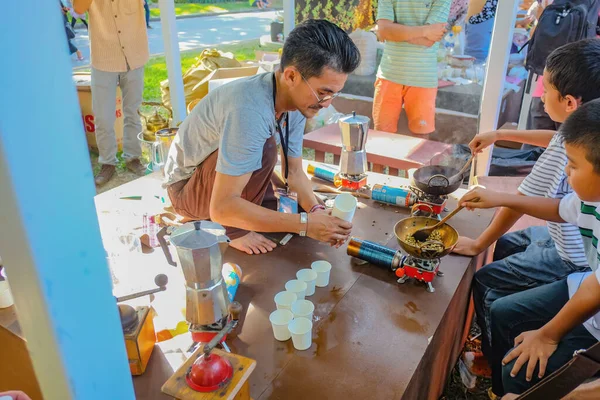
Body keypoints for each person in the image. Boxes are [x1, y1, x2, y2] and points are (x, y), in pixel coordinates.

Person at [454, 39, 600, 368]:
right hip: (573, 238)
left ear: (569, 103)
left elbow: (518, 203)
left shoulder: (562, 156)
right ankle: (508, 318)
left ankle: (491, 359)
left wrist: (478, 243)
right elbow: (558, 136)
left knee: (485, 278)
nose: (539, 91)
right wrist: (501, 135)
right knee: (506, 244)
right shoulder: (587, 129)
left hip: (572, 259)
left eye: (545, 87)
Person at [163, 19, 360, 255]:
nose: (327, 103)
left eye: (334, 94)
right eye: (323, 93)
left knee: (290, 202)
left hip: (214, 181)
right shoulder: (250, 110)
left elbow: (294, 173)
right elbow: (222, 207)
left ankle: (249, 211)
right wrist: (306, 225)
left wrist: (316, 210)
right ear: (291, 76)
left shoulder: (296, 102)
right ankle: (232, 231)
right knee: (266, 150)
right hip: (187, 192)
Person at [73, 0, 149, 186]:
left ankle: (133, 158)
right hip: (103, 59)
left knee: (133, 112)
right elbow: (78, 8)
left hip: (134, 55)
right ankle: (108, 163)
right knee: (103, 118)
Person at [374, 0, 451, 135]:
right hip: (388, 75)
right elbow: (385, 31)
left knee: (420, 142)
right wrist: (425, 30)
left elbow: (428, 41)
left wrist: (395, 31)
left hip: (423, 79)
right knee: (381, 137)